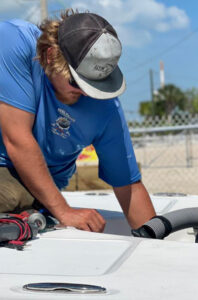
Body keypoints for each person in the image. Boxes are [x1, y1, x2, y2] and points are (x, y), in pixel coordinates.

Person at [0, 10, 156, 232]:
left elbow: (128, 186)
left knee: (20, 195)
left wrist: (157, 246)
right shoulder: (14, 41)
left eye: (96, 85)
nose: (87, 93)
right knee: (12, 195)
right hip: (7, 167)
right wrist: (64, 212)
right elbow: (17, 140)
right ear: (50, 56)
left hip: (40, 191)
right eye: (77, 82)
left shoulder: (106, 107)